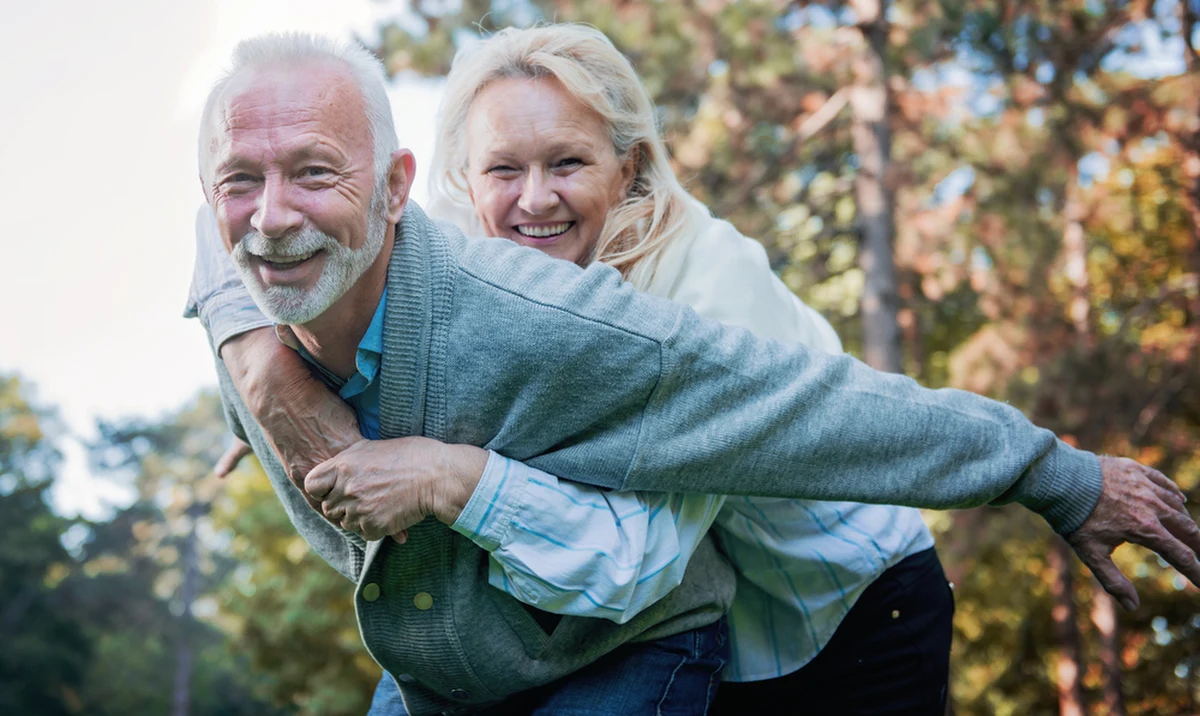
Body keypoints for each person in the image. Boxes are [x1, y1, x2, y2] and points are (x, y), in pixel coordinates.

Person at [191, 30, 1199, 716]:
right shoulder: (433, 250)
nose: (532, 200)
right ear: (454, 181)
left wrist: (1052, 471)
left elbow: (814, 430)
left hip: (839, 612)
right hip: (688, 619)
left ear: (630, 168)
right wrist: (265, 363)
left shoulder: (694, 296)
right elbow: (250, 219)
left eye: (568, 164)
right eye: (504, 170)